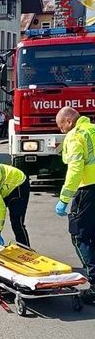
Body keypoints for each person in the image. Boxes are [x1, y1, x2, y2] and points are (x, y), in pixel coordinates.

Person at [54, 106, 95, 304]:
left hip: (87, 190)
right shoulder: (93, 129)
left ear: (69, 121)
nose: (61, 131)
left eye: (61, 126)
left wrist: (64, 198)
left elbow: (75, 168)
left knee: (80, 236)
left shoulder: (75, 135)